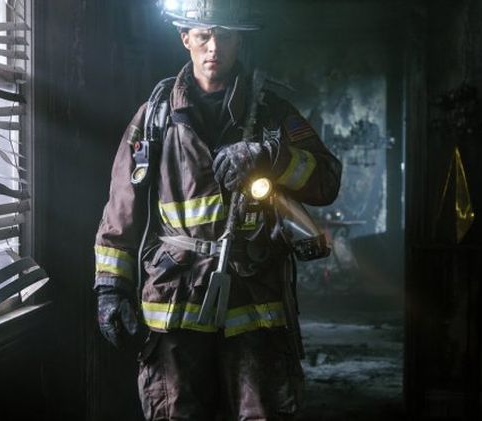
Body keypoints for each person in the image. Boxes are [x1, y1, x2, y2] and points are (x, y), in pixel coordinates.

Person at [92, 1, 342, 419]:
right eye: (204, 35)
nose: (214, 47)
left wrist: (271, 158)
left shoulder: (273, 113)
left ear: (239, 40)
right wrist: (110, 289)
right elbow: (121, 209)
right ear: (185, 39)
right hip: (176, 306)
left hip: (253, 306)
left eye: (225, 36)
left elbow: (327, 180)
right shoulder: (155, 117)